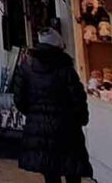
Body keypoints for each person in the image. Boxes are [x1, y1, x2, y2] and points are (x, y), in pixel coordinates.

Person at [12, 27, 92, 183]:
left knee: (50, 172)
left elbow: (19, 98)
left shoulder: (27, 67)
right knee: (72, 168)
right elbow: (77, 98)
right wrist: (82, 118)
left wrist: (34, 114)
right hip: (67, 125)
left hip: (39, 128)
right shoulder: (65, 68)